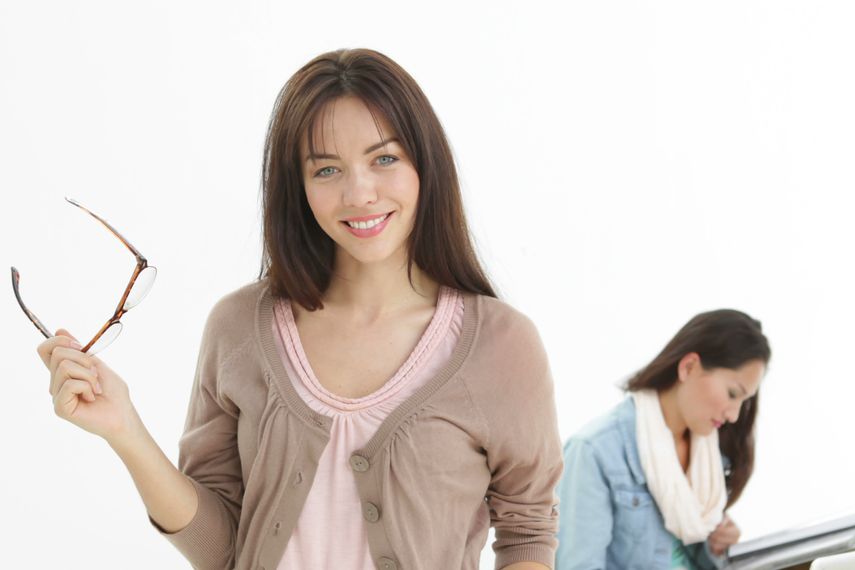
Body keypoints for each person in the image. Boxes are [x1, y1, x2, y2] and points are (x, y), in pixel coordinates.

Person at [35, 48, 562, 570]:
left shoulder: (500, 344)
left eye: (384, 158)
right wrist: (123, 428)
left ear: (426, 163)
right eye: (327, 170)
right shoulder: (239, 327)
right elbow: (219, 551)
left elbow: (526, 534)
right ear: (299, 187)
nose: (360, 193)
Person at [555, 309, 771, 569]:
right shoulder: (593, 451)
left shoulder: (708, 454)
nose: (734, 415)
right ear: (688, 366)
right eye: (732, 393)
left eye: (744, 401)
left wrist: (717, 543)